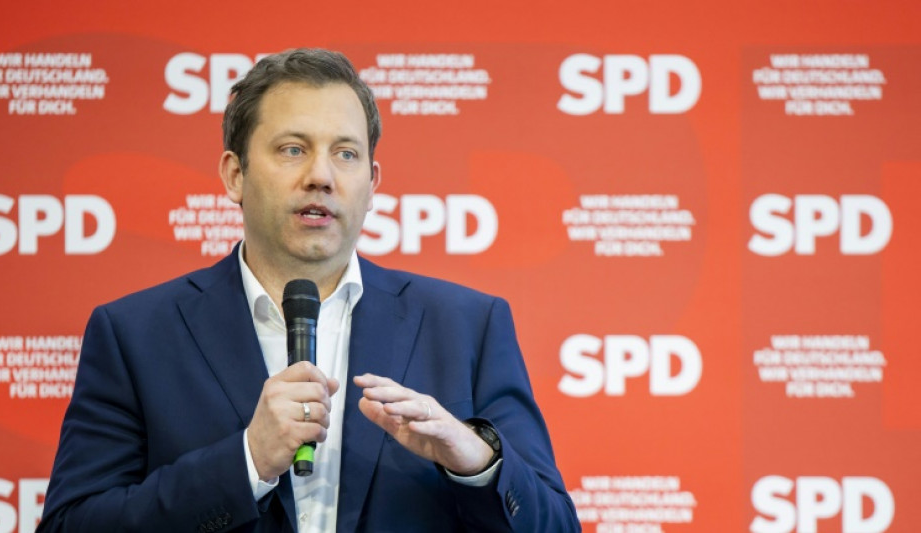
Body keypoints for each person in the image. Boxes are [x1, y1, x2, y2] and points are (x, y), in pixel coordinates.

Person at [38, 48, 579, 532]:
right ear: (234, 174)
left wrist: (477, 463)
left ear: (372, 183)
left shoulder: (468, 326)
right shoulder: (134, 335)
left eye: (346, 154)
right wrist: (246, 462)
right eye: (293, 149)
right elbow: (72, 524)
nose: (321, 176)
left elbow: (555, 525)